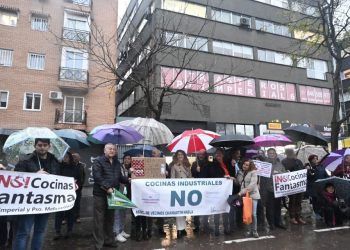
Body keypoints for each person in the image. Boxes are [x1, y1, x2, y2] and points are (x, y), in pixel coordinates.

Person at [13, 138, 60, 250]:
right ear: (35, 146)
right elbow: (16, 178)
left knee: (40, 231)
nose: (42, 147)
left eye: (45, 145)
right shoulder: (25, 160)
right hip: (28, 202)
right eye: (39, 145)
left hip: (45, 202)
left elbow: (59, 177)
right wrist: (34, 175)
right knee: (24, 232)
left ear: (49, 146)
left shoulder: (54, 161)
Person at [92, 143, 129, 250]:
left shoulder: (117, 162)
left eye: (114, 149)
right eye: (110, 149)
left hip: (113, 194)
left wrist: (129, 179)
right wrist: (107, 187)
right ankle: (98, 244)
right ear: (104, 150)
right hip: (100, 195)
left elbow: (119, 178)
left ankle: (109, 240)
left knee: (110, 219)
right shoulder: (98, 161)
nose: (112, 150)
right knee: (99, 220)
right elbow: (97, 177)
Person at [207, 148, 236, 236]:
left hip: (227, 191)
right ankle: (216, 229)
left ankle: (226, 228)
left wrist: (233, 166)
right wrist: (222, 177)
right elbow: (211, 175)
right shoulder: (212, 164)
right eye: (217, 154)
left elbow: (232, 174)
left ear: (223, 155)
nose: (218, 156)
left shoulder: (227, 163)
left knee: (226, 209)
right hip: (217, 191)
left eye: (220, 154)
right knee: (217, 210)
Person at [54, 152, 82, 240]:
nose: (65, 158)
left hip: (71, 194)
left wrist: (76, 184)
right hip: (60, 194)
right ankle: (57, 231)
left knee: (70, 213)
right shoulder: (58, 167)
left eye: (66, 157)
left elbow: (80, 180)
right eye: (63, 157)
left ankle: (69, 230)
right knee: (59, 213)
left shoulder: (75, 167)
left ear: (70, 157)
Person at [260, 148, 286, 231]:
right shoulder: (264, 164)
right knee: (269, 207)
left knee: (278, 206)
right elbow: (261, 176)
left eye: (273, 153)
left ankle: (278, 222)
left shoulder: (280, 164)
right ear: (267, 154)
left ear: (276, 154)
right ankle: (271, 223)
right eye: (270, 153)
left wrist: (280, 173)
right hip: (267, 189)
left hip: (278, 189)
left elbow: (284, 174)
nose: (271, 155)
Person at [169, 150, 192, 238]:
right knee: (179, 210)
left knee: (185, 210)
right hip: (178, 190)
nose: (180, 156)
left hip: (186, 189)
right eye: (178, 154)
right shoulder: (174, 166)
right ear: (176, 156)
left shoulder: (187, 166)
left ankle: (183, 228)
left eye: (181, 154)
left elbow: (190, 177)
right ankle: (179, 230)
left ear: (184, 156)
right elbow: (172, 179)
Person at [281, 149, 306, 225]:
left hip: (299, 184)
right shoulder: (284, 161)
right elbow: (283, 171)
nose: (292, 154)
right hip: (291, 185)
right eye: (290, 153)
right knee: (292, 201)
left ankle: (298, 216)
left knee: (298, 201)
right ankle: (292, 217)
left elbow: (302, 169)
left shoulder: (298, 161)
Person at [237, 159, 260, 238]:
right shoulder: (241, 172)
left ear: (250, 166)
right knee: (247, 214)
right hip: (245, 196)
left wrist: (241, 192)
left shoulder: (254, 172)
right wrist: (233, 179)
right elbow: (239, 182)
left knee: (253, 214)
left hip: (253, 195)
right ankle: (248, 230)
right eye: (244, 164)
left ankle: (255, 231)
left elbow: (252, 185)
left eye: (247, 165)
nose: (245, 166)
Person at [190, 149, 210, 232]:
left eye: (202, 154)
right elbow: (192, 174)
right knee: (196, 206)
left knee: (205, 205)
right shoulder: (195, 163)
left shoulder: (208, 162)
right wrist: (196, 170)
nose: (201, 155)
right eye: (199, 154)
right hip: (197, 188)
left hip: (206, 188)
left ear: (205, 155)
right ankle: (196, 225)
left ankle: (206, 224)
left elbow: (210, 173)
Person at [113, 154, 131, 243]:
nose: (127, 160)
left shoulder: (132, 169)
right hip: (118, 192)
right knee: (117, 213)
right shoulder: (119, 167)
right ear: (123, 160)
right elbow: (120, 178)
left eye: (129, 159)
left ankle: (121, 230)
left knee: (123, 213)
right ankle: (116, 233)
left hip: (126, 193)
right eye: (126, 158)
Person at [72, 153, 86, 223]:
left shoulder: (81, 165)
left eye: (77, 157)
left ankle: (77, 216)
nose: (75, 158)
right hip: (70, 187)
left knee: (77, 202)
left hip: (78, 188)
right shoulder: (70, 165)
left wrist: (81, 183)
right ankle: (65, 218)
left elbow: (83, 175)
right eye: (74, 157)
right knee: (69, 202)